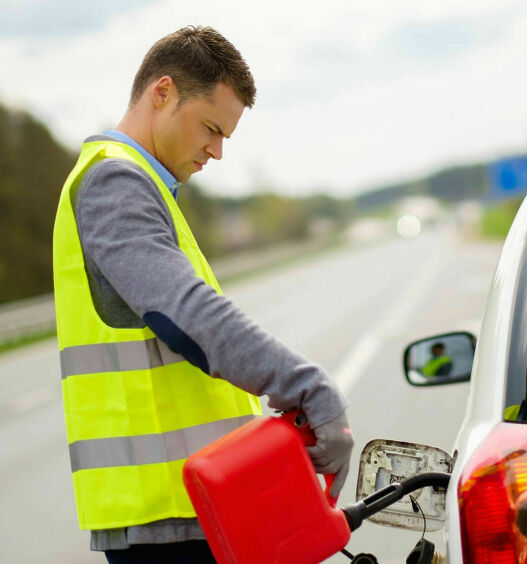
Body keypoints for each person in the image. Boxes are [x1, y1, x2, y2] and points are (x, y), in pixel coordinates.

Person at [52, 26, 353, 563]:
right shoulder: (114, 183)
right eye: (211, 129)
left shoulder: (142, 184)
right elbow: (184, 313)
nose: (216, 152)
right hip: (164, 518)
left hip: (196, 505)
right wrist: (305, 386)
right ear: (161, 93)